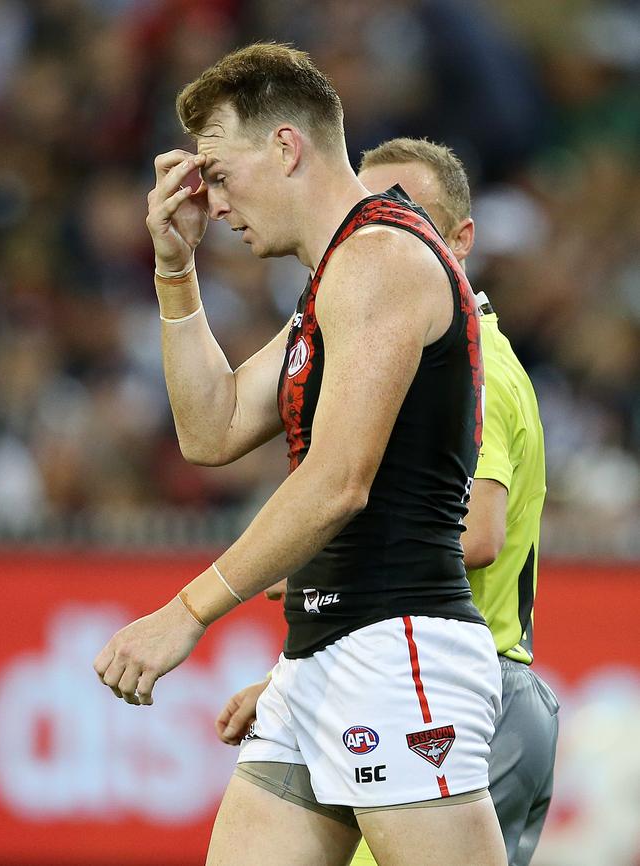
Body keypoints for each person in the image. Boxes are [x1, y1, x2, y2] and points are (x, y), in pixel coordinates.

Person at [94, 44, 506, 866]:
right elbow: (209, 431)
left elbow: (338, 484)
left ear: (285, 148)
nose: (206, 199)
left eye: (215, 170)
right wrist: (176, 270)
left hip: (397, 648)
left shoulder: (382, 259)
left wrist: (188, 612)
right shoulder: (337, 279)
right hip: (321, 652)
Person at [216, 137, 559, 866]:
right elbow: (211, 427)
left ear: (461, 241)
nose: (380, 231)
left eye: (407, 212)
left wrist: (310, 553)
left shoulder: (476, 366)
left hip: (452, 685)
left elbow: (477, 534)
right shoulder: (390, 340)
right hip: (389, 669)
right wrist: (296, 675)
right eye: (368, 212)